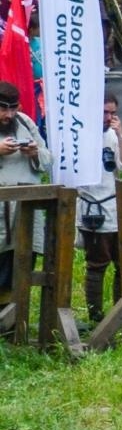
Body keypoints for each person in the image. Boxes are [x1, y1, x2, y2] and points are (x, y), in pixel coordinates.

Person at [75, 94, 122, 322]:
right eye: (104, 112)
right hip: (92, 207)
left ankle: (120, 313)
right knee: (97, 264)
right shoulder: (80, 134)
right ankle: (96, 316)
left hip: (115, 206)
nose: (109, 117)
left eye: (112, 113)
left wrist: (120, 135)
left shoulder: (113, 134)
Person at [0, 80, 51, 294]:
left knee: (21, 273)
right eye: (3, 109)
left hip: (26, 211)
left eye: (13, 108)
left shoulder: (25, 122)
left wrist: (34, 153)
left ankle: (16, 314)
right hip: (2, 211)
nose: (9, 115)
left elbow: (47, 158)